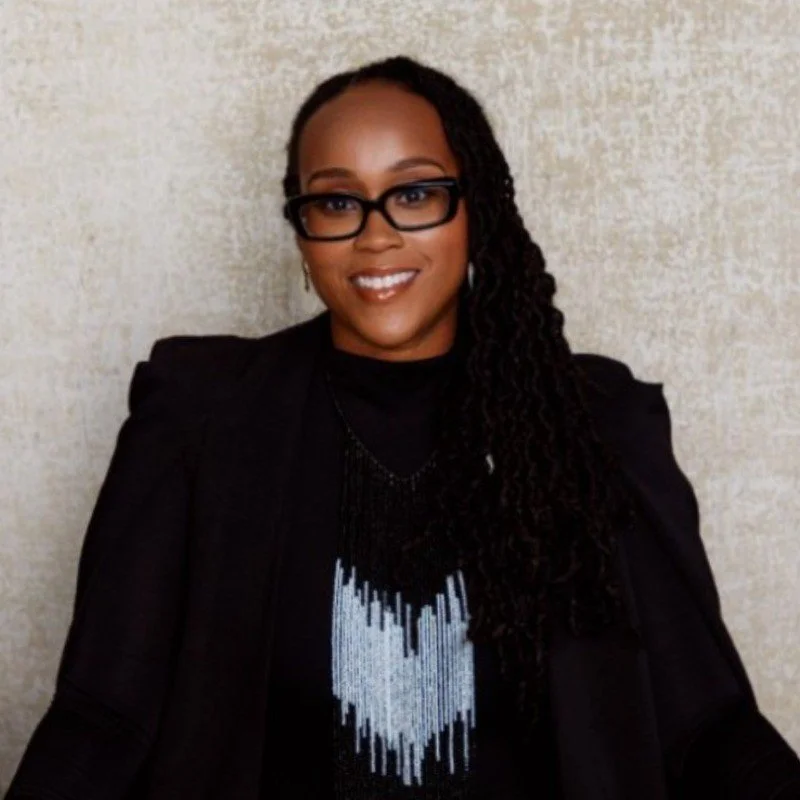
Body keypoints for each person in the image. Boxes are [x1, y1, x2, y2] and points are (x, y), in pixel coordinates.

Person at [6, 55, 799, 800]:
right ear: (302, 232)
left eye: (415, 193)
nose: (375, 234)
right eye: (336, 202)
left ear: (476, 208)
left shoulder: (595, 426)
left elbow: (708, 727)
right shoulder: (202, 419)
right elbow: (101, 720)